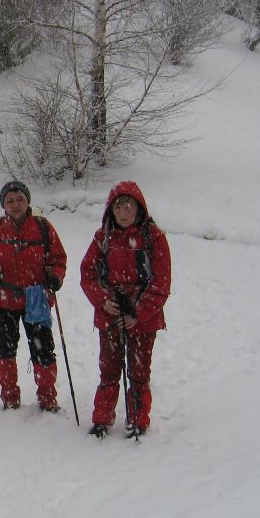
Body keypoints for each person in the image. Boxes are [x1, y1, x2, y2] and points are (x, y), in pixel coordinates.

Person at [80, 180, 171, 438]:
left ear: (139, 208)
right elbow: (87, 273)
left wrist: (138, 313)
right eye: (118, 206)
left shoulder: (154, 238)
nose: (123, 212)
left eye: (128, 206)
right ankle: (102, 418)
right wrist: (102, 299)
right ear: (111, 209)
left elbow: (161, 284)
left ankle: (138, 420)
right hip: (109, 314)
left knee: (139, 371)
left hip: (143, 318)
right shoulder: (103, 238)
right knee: (109, 369)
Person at [0, 180, 67, 412]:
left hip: (36, 298)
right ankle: (10, 398)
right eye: (10, 200)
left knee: (43, 350)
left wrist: (56, 277)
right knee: (5, 351)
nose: (15, 204)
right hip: (2, 298)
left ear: (28, 201)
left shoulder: (43, 227)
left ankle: (47, 398)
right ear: (3, 204)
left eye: (20, 199)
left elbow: (58, 258)